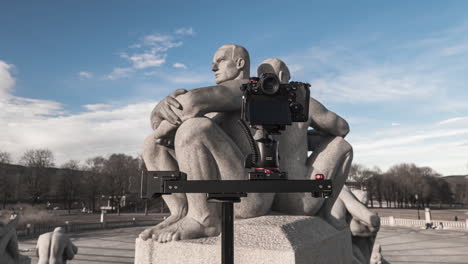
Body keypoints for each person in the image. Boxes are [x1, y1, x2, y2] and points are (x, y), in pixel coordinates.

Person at [140, 46, 351, 243]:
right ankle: (180, 212)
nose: (213, 67)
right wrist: (160, 110)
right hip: (240, 187)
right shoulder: (228, 100)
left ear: (240, 63)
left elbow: (190, 103)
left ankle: (203, 220)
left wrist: (164, 118)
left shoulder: (248, 89)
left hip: (252, 195)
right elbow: (340, 127)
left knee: (193, 128)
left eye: (220, 61)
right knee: (152, 144)